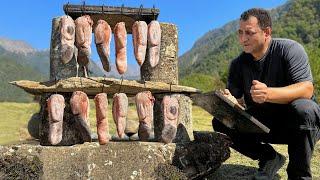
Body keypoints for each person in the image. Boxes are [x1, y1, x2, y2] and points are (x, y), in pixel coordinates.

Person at [212, 8, 320, 180]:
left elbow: (307, 89)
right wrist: (231, 102)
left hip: (298, 125)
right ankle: (269, 158)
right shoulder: (238, 65)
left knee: (305, 108)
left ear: (267, 32)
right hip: (263, 124)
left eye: (249, 32)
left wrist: (268, 93)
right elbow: (239, 105)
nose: (243, 38)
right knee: (221, 120)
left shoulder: (289, 49)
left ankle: (299, 176)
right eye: (240, 32)